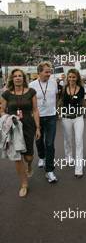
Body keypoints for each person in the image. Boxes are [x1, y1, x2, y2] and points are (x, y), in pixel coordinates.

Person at [1, 69, 40, 197]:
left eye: (20, 76)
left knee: (28, 156)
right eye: (15, 76)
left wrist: (38, 127)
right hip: (14, 127)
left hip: (28, 125)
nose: (18, 78)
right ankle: (24, 184)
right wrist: (8, 117)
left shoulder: (31, 92)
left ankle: (29, 165)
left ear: (24, 78)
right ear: (12, 79)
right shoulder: (6, 94)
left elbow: (35, 110)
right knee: (17, 157)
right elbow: (1, 110)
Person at [29, 61, 58, 183]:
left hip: (51, 117)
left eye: (50, 71)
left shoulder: (54, 83)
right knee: (39, 141)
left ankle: (50, 170)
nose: (49, 73)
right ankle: (41, 156)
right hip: (37, 118)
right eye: (46, 71)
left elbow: (56, 96)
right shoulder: (32, 85)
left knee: (50, 144)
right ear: (39, 72)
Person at [60, 69, 85, 178]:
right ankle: (69, 156)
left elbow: (82, 101)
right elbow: (60, 101)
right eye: (69, 77)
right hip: (66, 118)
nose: (71, 79)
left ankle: (79, 168)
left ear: (77, 78)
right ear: (67, 78)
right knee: (68, 139)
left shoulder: (82, 89)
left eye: (73, 77)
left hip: (78, 117)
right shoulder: (64, 88)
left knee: (79, 141)